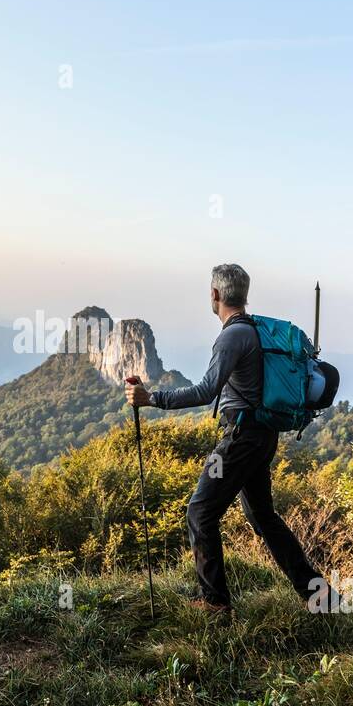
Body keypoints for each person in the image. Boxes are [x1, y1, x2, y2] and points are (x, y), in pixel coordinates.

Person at [125, 263, 325, 614]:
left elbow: (206, 390)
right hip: (261, 436)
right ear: (243, 295)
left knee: (200, 512)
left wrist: (152, 398)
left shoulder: (233, 335)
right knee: (264, 518)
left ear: (215, 295)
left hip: (242, 438)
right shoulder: (255, 329)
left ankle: (215, 602)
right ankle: (320, 596)